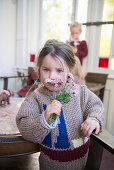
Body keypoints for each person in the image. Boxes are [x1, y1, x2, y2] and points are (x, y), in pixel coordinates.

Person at [16, 40, 104, 170]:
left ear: (70, 70)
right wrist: (43, 120)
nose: (52, 76)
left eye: (59, 70)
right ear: (38, 70)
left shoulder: (80, 92)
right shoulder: (36, 97)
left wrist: (93, 119)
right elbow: (23, 123)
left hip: (80, 161)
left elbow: (95, 106)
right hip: (49, 163)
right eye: (46, 69)